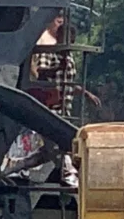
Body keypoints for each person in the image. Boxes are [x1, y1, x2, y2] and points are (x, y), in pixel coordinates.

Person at [25, 15, 100, 187]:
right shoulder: (49, 53)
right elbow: (40, 73)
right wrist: (58, 67)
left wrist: (85, 93)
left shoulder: (69, 58)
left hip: (65, 107)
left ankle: (17, 168)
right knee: (63, 144)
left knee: (47, 152)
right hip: (51, 108)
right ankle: (69, 174)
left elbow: (67, 81)